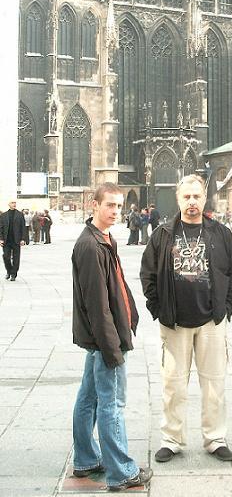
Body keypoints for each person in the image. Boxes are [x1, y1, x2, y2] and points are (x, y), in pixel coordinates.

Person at [140, 174, 232, 463]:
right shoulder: (162, 234)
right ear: (178, 199)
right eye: (187, 197)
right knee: (173, 385)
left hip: (211, 321)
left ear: (204, 198)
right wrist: (157, 308)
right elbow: (147, 273)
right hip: (175, 322)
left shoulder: (220, 233)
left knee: (214, 384)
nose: (192, 201)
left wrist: (227, 306)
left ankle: (215, 438)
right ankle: (172, 440)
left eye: (197, 196)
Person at [72, 183, 152, 492]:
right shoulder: (91, 246)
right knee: (112, 404)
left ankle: (85, 459)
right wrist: (112, 348)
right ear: (94, 204)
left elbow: (114, 288)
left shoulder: (103, 238)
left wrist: (131, 314)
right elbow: (97, 305)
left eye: (119, 206)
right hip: (107, 339)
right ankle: (121, 472)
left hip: (103, 337)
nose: (116, 211)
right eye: (110, 205)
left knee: (89, 397)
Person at [0, 201, 26, 281]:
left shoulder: (20, 214)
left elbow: (23, 227)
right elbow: (1, 228)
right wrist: (1, 239)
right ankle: (9, 271)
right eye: (12, 203)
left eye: (15, 203)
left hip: (16, 240)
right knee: (6, 257)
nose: (14, 204)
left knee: (16, 258)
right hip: (6, 240)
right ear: (9, 204)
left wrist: (23, 239)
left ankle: (13, 274)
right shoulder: (3, 215)